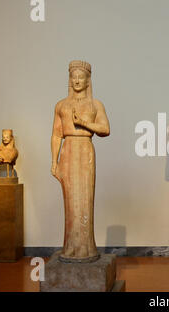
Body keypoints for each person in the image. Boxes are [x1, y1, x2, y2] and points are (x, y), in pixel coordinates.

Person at [51, 60, 110, 263]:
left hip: (85, 150)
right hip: (68, 151)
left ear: (87, 80)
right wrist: (54, 162)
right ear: (70, 79)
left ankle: (86, 248)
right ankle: (70, 247)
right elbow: (56, 135)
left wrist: (83, 123)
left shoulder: (95, 104)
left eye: (81, 77)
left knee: (85, 200)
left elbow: (105, 129)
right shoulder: (61, 105)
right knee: (70, 202)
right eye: (74, 76)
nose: (77, 80)